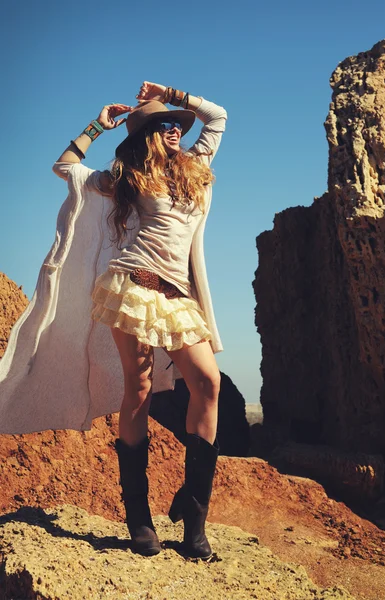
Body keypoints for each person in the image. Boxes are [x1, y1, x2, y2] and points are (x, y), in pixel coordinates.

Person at [52, 81, 227, 559]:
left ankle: (194, 514)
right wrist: (96, 126)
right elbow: (65, 167)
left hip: (179, 297)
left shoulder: (196, 168)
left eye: (175, 124)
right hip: (132, 286)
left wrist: (173, 94)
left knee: (207, 383)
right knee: (141, 388)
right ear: (149, 135)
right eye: (164, 124)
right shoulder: (125, 174)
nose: (174, 129)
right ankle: (139, 519)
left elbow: (218, 117)